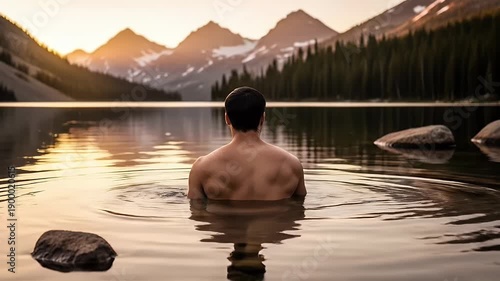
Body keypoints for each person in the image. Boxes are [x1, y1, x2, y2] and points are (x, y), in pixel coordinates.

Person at [188, 87, 306, 200]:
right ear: (263, 118)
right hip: (273, 220)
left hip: (224, 221)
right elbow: (299, 207)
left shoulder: (201, 167)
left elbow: (197, 212)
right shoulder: (292, 164)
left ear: (227, 118)